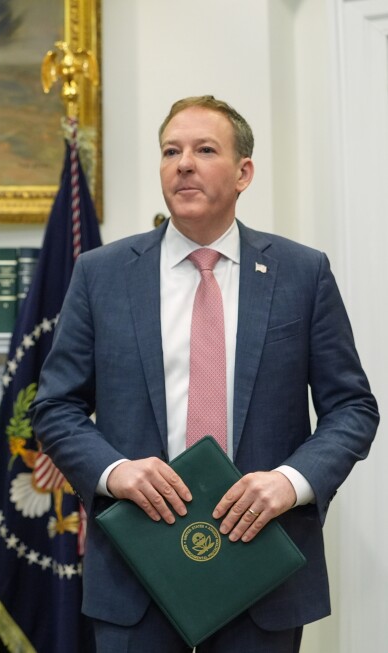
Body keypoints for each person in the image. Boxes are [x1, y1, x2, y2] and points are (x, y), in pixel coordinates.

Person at [31, 96, 378, 652]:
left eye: (205, 150)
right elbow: (55, 406)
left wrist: (290, 482)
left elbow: (353, 408)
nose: (184, 164)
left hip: (260, 567)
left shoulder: (301, 273)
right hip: (138, 569)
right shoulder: (102, 274)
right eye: (171, 151)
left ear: (244, 173)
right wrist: (115, 472)